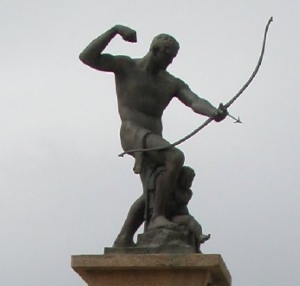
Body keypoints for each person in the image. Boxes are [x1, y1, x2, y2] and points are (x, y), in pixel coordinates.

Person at [80, 24, 226, 247]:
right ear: (155, 50)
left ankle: (124, 238)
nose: (170, 62)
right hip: (132, 132)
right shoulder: (126, 66)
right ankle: (157, 218)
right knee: (174, 157)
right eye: (168, 56)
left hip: (154, 136)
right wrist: (115, 31)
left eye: (173, 58)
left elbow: (194, 100)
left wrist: (214, 112)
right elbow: (87, 57)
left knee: (154, 187)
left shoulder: (171, 82)